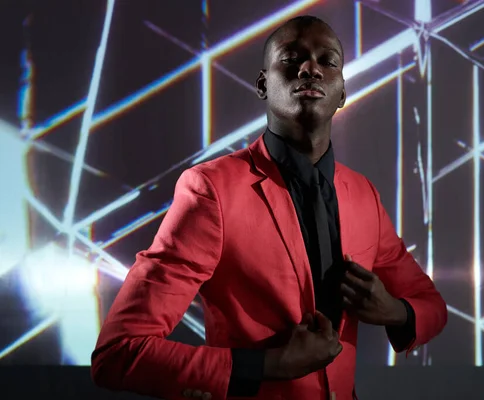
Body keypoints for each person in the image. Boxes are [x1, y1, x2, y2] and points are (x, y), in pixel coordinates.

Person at [91, 15, 447, 400]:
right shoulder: (210, 190)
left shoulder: (363, 194)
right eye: (291, 59)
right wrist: (270, 366)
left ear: (342, 92)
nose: (309, 68)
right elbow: (119, 351)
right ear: (263, 84)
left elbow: (431, 307)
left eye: (327, 61)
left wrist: (394, 311)